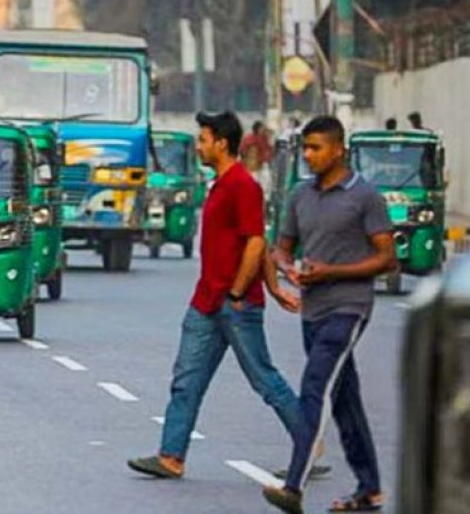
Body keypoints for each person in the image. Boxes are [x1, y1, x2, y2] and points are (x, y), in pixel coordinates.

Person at [127, 111, 306, 480]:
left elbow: (257, 243)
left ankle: (308, 441)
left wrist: (247, 291)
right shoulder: (220, 185)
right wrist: (270, 288)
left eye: (203, 139)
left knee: (264, 379)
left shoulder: (243, 185)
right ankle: (171, 456)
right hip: (206, 301)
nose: (198, 146)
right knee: (186, 378)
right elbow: (257, 241)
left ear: (222, 143)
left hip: (235, 304)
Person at [262, 116, 398, 514]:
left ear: (339, 149)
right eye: (305, 148)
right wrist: (288, 268)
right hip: (313, 309)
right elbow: (281, 247)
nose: (309, 155)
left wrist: (332, 272)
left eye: (316, 148)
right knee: (345, 400)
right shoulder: (300, 195)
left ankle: (293, 486)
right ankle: (369, 489)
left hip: (349, 307)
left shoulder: (365, 196)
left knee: (316, 386)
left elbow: (387, 258)